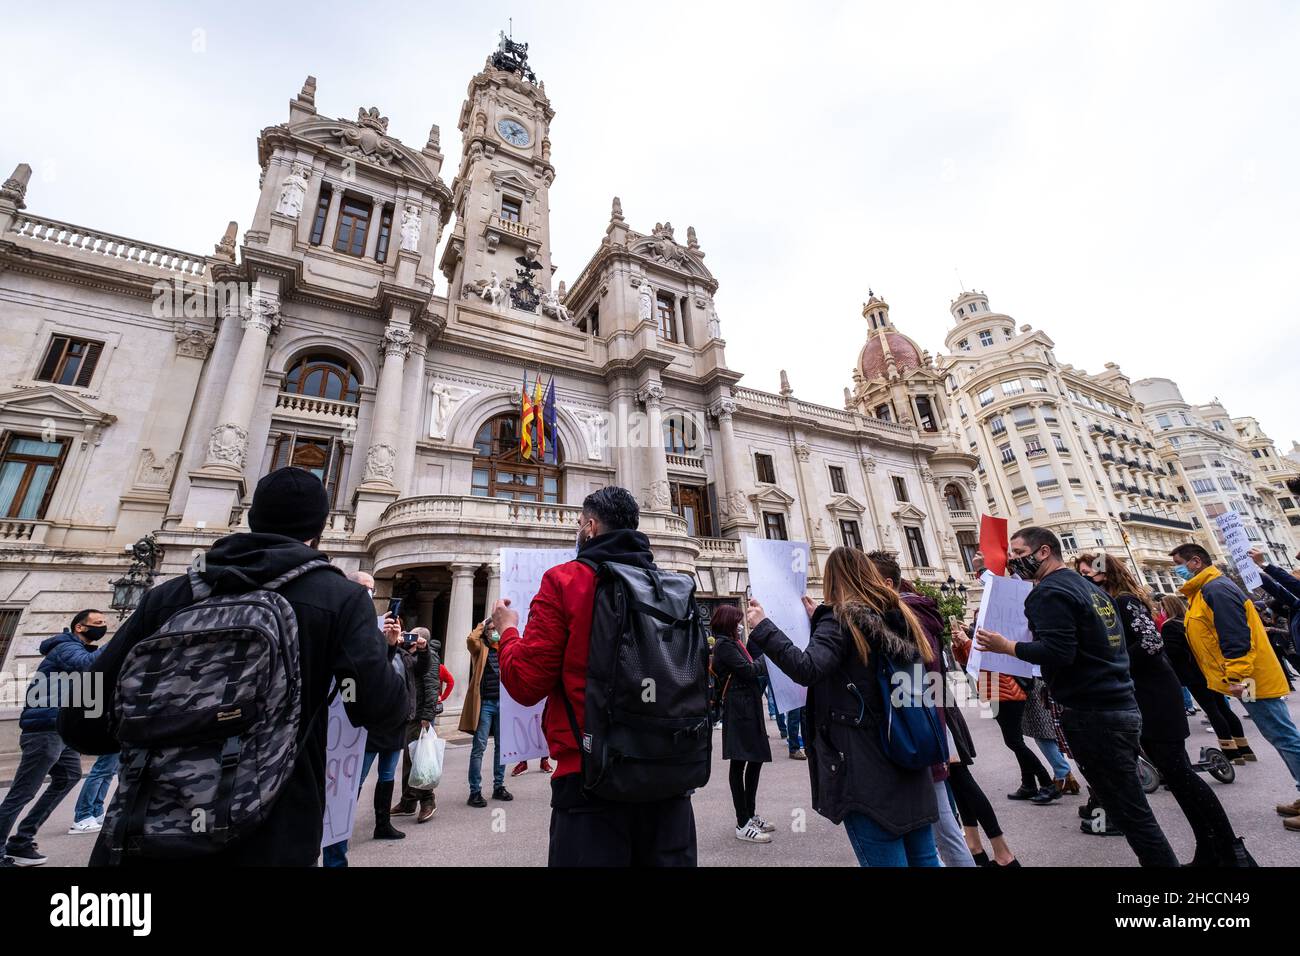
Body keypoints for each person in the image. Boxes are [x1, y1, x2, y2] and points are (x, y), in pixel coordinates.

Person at [59, 467, 409, 866]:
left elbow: (80, 719)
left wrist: (164, 731)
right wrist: (389, 655)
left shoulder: (170, 596)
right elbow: (381, 709)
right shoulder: (339, 599)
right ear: (321, 528)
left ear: (252, 518)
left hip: (143, 833)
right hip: (268, 836)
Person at [497, 486, 699, 867]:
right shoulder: (672, 587)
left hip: (590, 780)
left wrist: (507, 632)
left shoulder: (564, 581)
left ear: (589, 528)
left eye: (578, 523)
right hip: (669, 775)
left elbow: (525, 684)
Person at [976, 526, 1178, 866]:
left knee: (1132, 814)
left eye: (1019, 555)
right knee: (1127, 808)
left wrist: (1005, 646)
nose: (1014, 562)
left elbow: (1058, 651)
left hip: (1092, 712)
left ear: (1043, 552)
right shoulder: (1086, 586)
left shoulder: (1048, 592)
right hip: (1119, 703)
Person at [747, 546, 940, 867]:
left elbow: (807, 668)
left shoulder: (840, 620)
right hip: (910, 758)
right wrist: (819, 619)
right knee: (925, 859)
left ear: (832, 580)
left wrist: (764, 626)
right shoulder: (899, 616)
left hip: (866, 770)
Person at [1079, 553, 1250, 866]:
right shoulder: (1110, 603)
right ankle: (1210, 848)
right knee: (1176, 775)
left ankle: (1231, 851)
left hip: (1155, 694)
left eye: (1088, 571)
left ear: (1105, 572)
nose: (1084, 576)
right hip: (1143, 694)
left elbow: (1150, 642)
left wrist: (1111, 665)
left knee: (1180, 774)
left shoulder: (1125, 600)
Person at [1170, 542, 1300, 831]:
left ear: (1194, 562)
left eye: (1178, 563)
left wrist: (1238, 676)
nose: (1176, 570)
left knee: (1283, 734)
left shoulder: (1215, 589)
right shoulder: (1206, 591)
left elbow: (1235, 635)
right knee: (1278, 734)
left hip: (1250, 678)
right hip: (1247, 677)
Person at [866, 551, 974, 866]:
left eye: (868, 581)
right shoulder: (912, 613)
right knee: (941, 825)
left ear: (886, 583)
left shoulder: (905, 617)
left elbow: (915, 679)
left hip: (919, 731)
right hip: (927, 726)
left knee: (944, 830)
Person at [0, 609, 104, 866]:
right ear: (80, 627)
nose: (104, 626)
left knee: (68, 775)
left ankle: (21, 840)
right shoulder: (64, 647)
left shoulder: (80, 651)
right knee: (22, 792)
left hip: (60, 728)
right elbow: (88, 665)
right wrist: (126, 636)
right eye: (98, 623)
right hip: (45, 729)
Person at [947, 624, 1021, 867]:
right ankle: (976, 846)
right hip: (938, 709)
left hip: (934, 711)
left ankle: (1003, 854)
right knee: (958, 783)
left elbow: (981, 662)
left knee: (961, 780)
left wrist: (966, 643)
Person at [1158, 593, 1254, 764]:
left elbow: (1174, 652)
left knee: (1212, 710)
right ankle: (1244, 748)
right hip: (1208, 670)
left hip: (1192, 674)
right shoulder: (1189, 621)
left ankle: (1230, 751)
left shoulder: (1169, 626)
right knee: (1223, 708)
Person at [710, 603, 774, 844]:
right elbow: (748, 670)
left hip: (748, 707)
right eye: (736, 620)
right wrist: (768, 659)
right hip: (739, 710)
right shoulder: (724, 645)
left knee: (755, 759)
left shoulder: (733, 643)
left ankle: (750, 814)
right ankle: (742, 822)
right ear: (728, 622)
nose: (739, 624)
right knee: (739, 763)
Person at [459, 619, 512, 807]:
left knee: (502, 748)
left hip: (503, 705)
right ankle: (475, 791)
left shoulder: (505, 649)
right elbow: (470, 639)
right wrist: (482, 624)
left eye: (497, 628)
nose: (495, 631)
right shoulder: (480, 648)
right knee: (479, 747)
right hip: (486, 705)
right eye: (492, 629)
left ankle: (499, 786)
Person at [392, 626, 443, 823]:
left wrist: (427, 716)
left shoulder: (429, 657)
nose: (408, 637)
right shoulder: (406, 654)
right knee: (410, 760)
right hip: (410, 714)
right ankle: (408, 801)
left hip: (421, 715)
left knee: (421, 761)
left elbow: (431, 687)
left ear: (422, 640)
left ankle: (428, 801)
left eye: (413, 635)